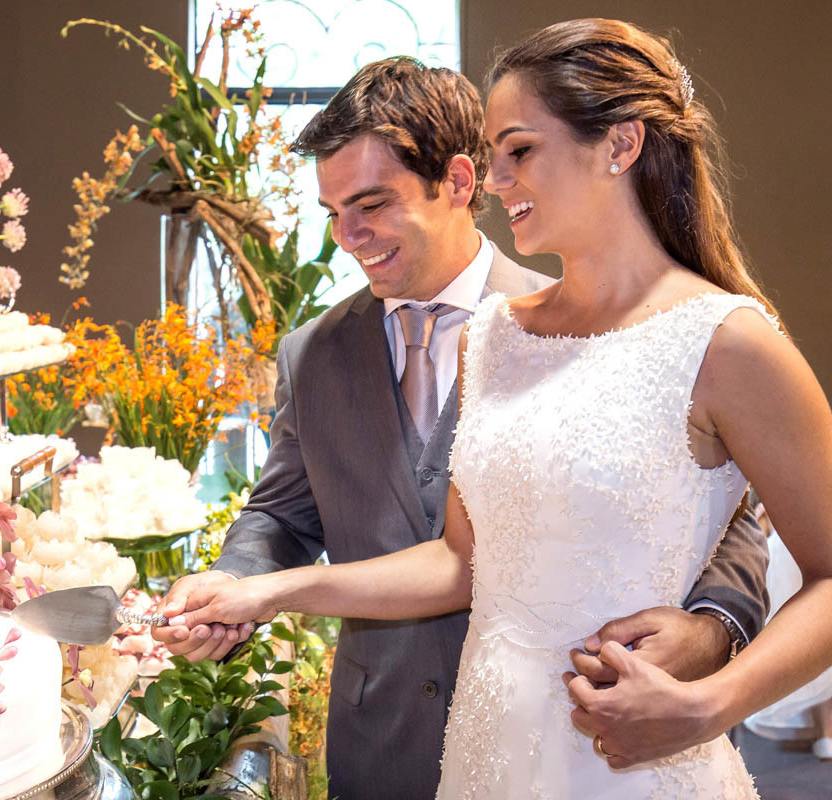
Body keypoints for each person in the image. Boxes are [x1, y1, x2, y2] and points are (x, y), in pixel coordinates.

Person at [153, 52, 770, 800]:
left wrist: (712, 627)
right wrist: (235, 584)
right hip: (378, 742)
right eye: (333, 213)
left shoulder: (592, 321)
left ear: (458, 182)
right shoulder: (311, 353)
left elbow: (724, 506)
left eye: (372, 204)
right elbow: (283, 512)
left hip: (576, 728)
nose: (348, 235)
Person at [744, 484, 832, 759]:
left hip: (800, 563)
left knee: (818, 649)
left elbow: (758, 531)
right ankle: (824, 732)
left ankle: (824, 733)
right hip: (796, 563)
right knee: (815, 646)